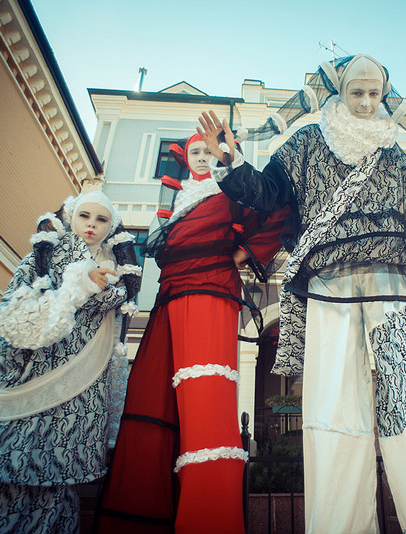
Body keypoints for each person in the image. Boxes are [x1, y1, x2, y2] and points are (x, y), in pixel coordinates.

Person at [198, 54, 406, 533]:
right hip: (328, 282)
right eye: (357, 91)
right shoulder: (307, 142)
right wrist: (230, 160)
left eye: (375, 93)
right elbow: (268, 193)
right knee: (333, 401)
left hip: (390, 280)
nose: (367, 101)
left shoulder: (395, 153)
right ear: (339, 91)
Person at [95, 133, 287, 534]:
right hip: (167, 297)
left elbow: (279, 211)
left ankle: (209, 520)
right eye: (195, 152)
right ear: (184, 159)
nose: (202, 157)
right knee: (153, 396)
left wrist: (242, 254)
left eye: (208, 151)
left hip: (209, 291)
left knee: (205, 399)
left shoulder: (233, 191)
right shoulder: (175, 201)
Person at [0, 191, 141, 534]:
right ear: (71, 217)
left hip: (78, 398)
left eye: (101, 220)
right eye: (85, 216)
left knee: (56, 490)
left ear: (111, 227)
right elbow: (14, 318)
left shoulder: (118, 275)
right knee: (4, 480)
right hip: (33, 380)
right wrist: (77, 285)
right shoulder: (44, 257)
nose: (92, 226)